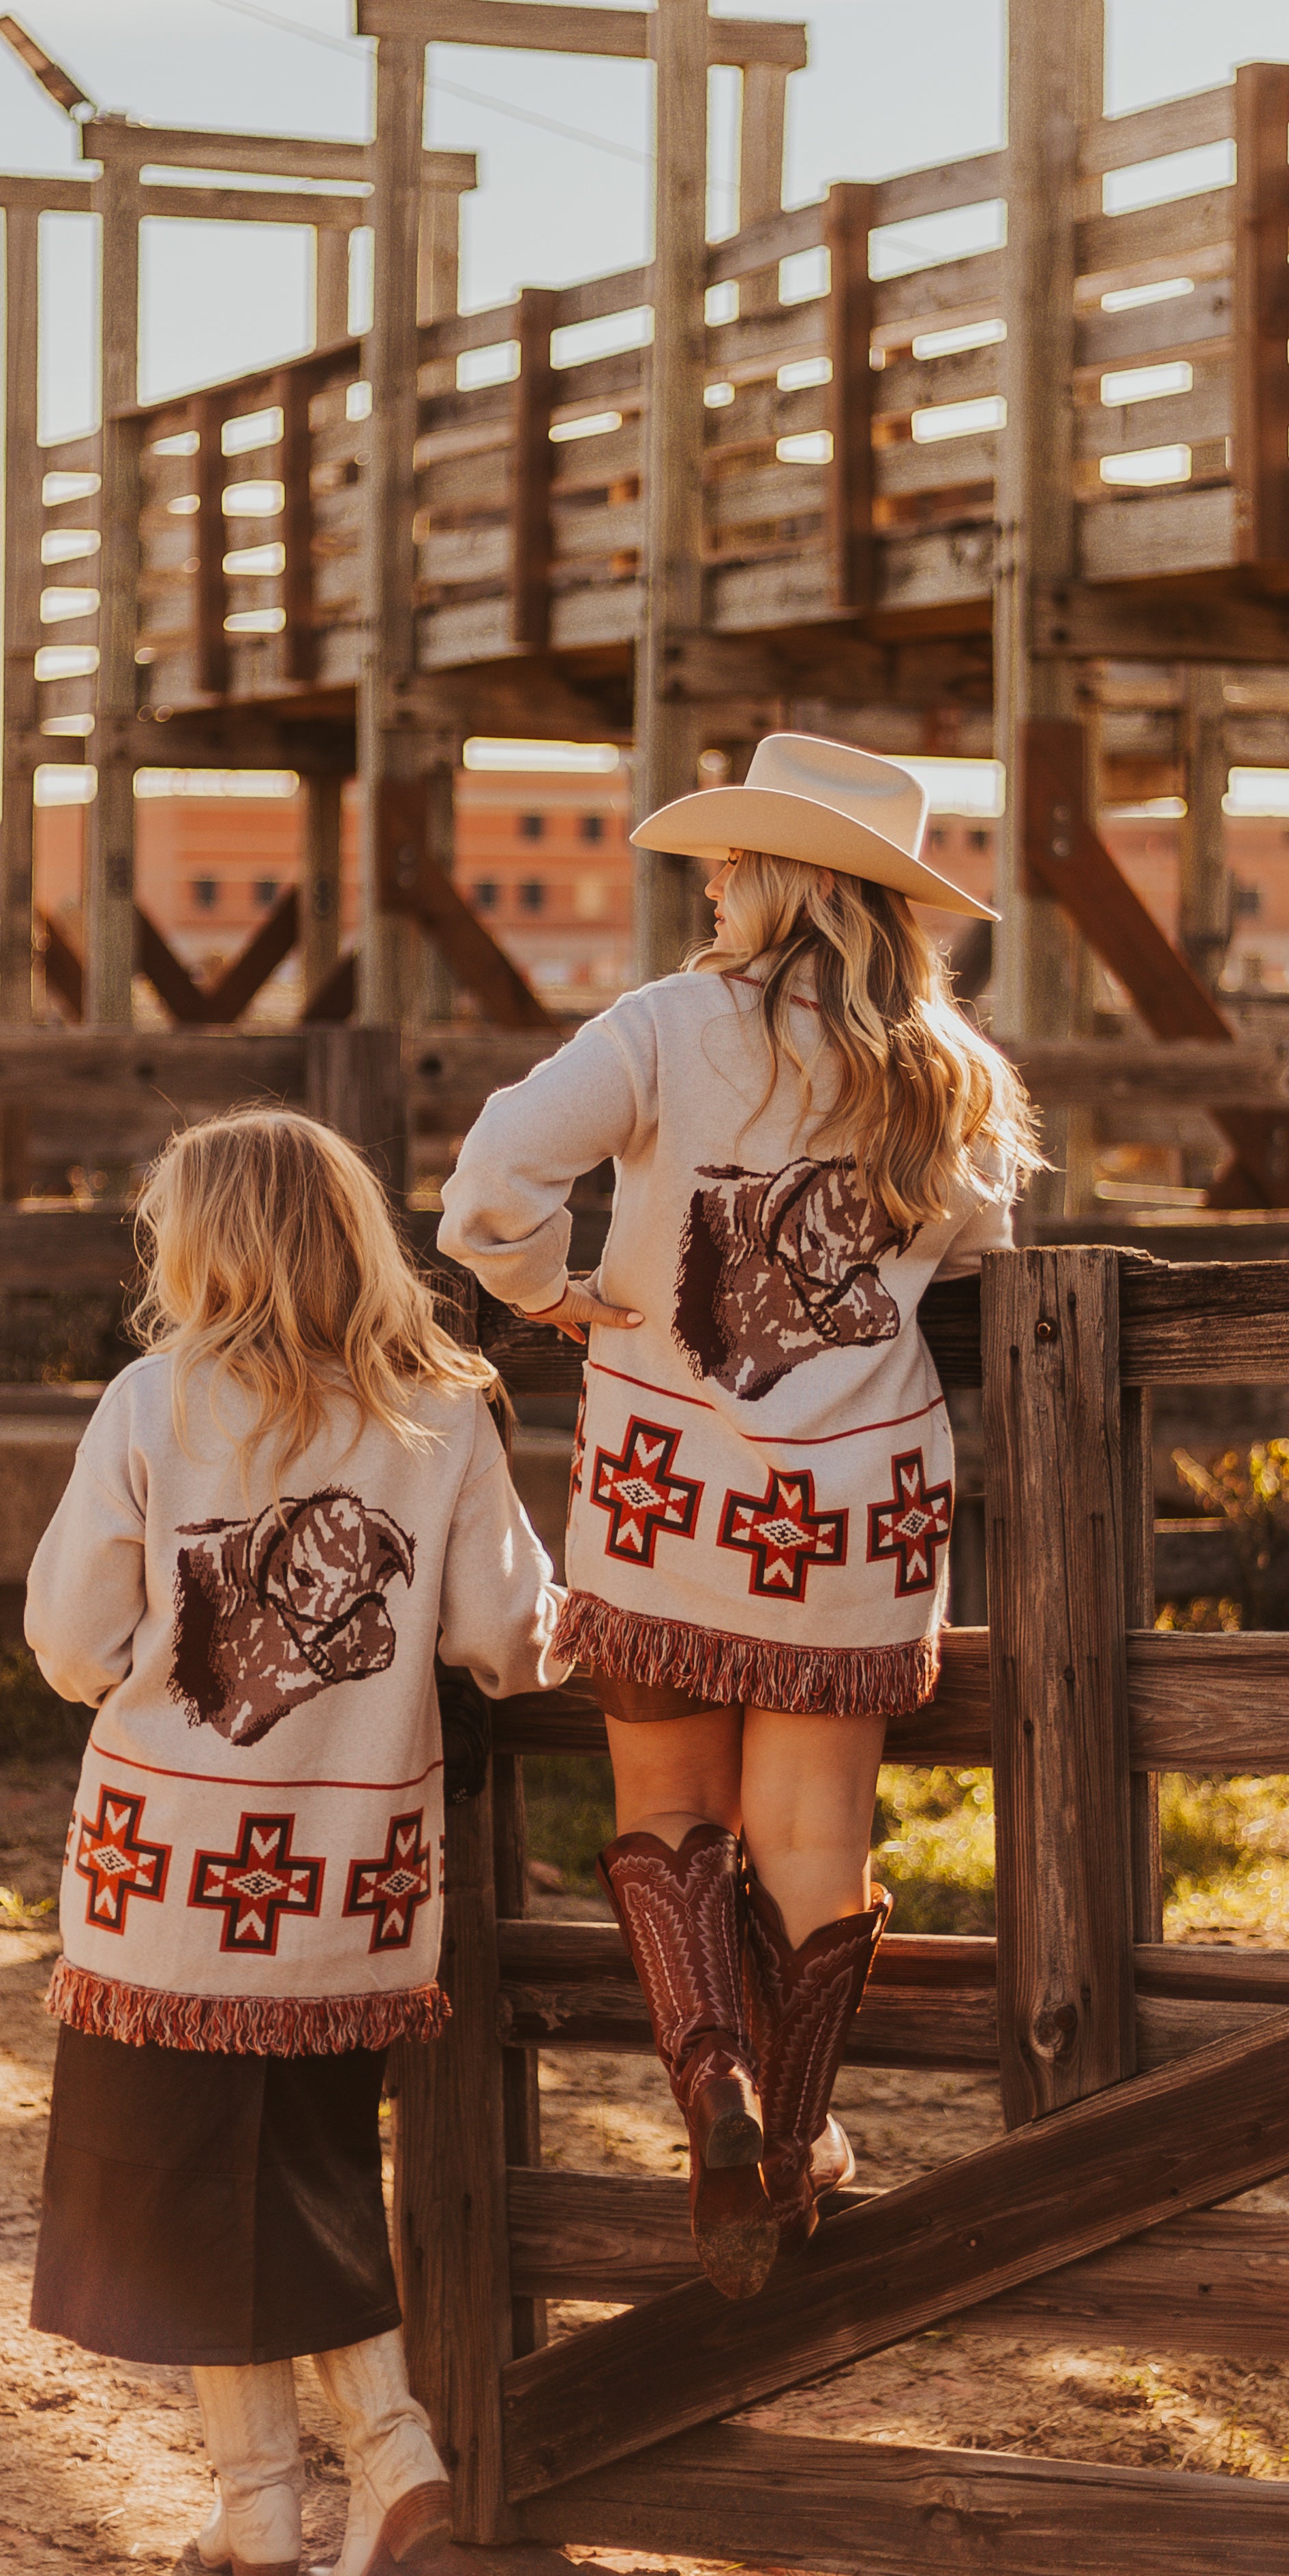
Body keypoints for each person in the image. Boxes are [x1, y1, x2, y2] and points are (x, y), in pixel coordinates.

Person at [440, 734, 1034, 2301]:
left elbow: (490, 1182)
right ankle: (798, 2148)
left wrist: (552, 1294)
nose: (705, 882)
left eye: (726, 861)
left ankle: (714, 2088)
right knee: (813, 1837)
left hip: (666, 1487)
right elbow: (981, 1245)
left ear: (776, 878)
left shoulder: (659, 1029)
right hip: (855, 1511)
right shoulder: (941, 1068)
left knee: (670, 1814)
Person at [24, 1108, 560, 2576]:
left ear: (208, 1245)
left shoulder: (152, 1402)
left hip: (171, 1879)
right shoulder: (442, 1409)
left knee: (196, 2181)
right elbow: (503, 1639)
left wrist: (125, 1672)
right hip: (344, 1882)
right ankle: (257, 2508)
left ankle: (389, 2451)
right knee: (291, 2167)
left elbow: (71, 1641)